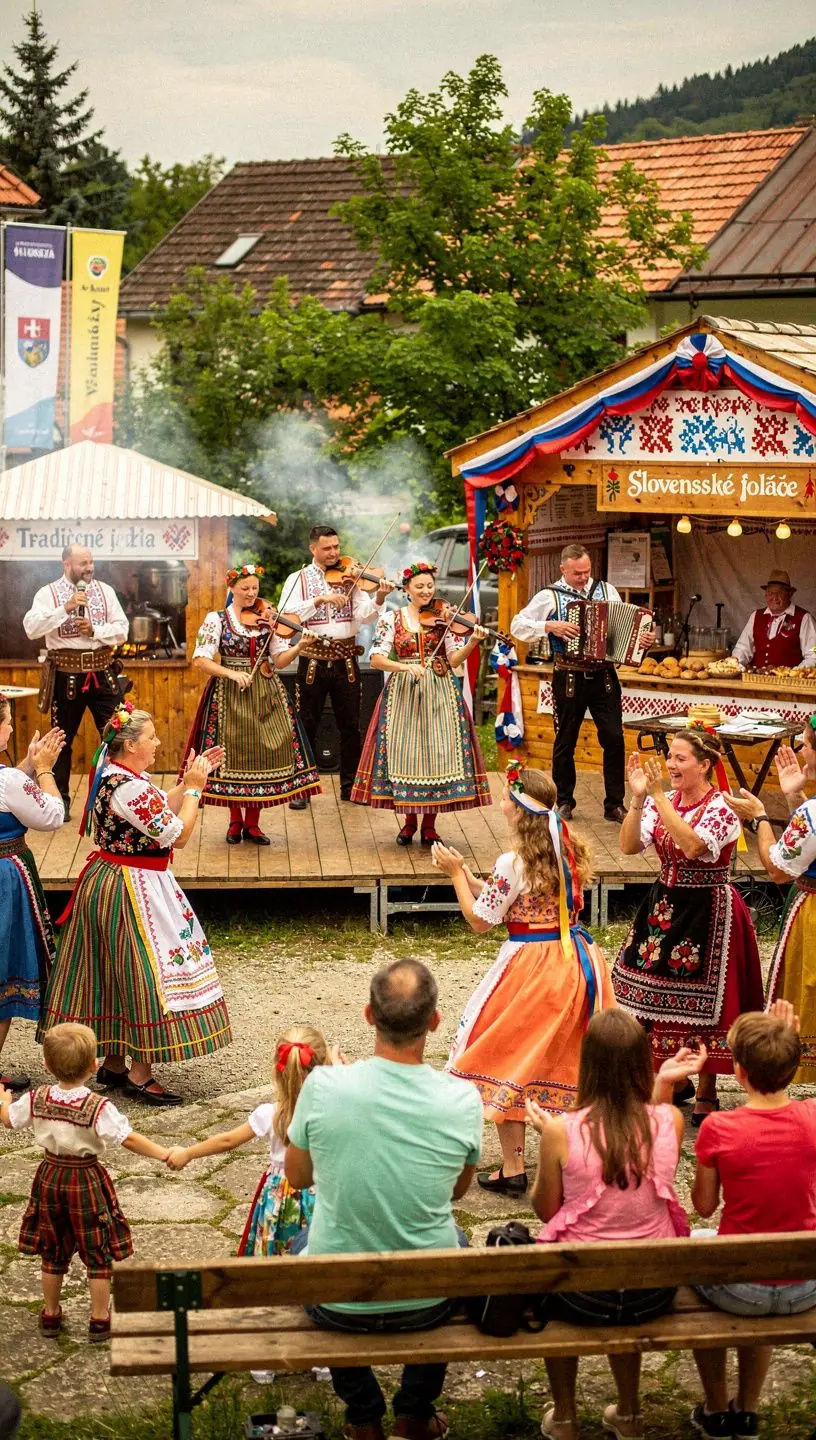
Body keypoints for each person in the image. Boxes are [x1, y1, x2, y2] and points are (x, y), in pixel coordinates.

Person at [285, 959, 483, 1440]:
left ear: (368, 1015)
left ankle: (362, 1414)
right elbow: (456, 1191)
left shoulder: (324, 1086)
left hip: (338, 1299)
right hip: (427, 1301)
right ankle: (414, 1412)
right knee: (451, 1241)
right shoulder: (462, 1099)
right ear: (434, 1022)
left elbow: (298, 1176)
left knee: (303, 1245)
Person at [437, 762, 614, 1197]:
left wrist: (456, 876)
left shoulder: (513, 861)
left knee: (509, 1056)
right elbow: (508, 895)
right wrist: (483, 881)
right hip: (574, 959)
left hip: (531, 966)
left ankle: (514, 1165)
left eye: (504, 798)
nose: (500, 804)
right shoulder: (565, 850)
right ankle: (573, 1155)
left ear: (518, 810)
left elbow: (482, 920)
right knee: (563, 1056)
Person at [40, 704, 231, 1106]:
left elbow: (159, 801)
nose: (157, 743)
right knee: (147, 972)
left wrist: (193, 779)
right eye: (151, 739)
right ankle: (140, 1074)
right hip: (134, 886)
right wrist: (195, 789)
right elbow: (177, 834)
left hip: (111, 879)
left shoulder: (114, 775)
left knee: (113, 970)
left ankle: (113, 1062)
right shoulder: (129, 788)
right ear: (130, 746)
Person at [527, 1009, 702, 1440]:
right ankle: (628, 1412)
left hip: (582, 1295)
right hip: (651, 1292)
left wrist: (551, 1136)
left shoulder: (562, 1131)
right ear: (640, 1063)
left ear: (588, 1064)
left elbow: (547, 1211)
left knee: (552, 1269)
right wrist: (662, 1085)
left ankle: (565, 1417)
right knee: (628, 1262)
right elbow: (646, 1140)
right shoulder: (671, 1121)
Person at [614, 736, 764, 1124]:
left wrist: (660, 798)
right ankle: (670, 1078)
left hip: (709, 906)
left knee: (711, 1002)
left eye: (680, 758)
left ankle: (708, 1088)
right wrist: (637, 800)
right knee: (652, 992)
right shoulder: (662, 801)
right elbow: (629, 846)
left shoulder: (724, 806)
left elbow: (694, 845)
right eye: (669, 757)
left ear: (705, 765)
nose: (671, 764)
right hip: (666, 903)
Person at [0, 1022, 173, 1342]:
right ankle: (99, 1318)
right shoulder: (98, 1108)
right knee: (97, 1249)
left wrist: (4, 1101)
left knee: (52, 1248)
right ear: (94, 1066)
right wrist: (164, 1153)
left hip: (50, 1176)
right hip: (86, 1179)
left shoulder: (38, 1098)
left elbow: (9, 1120)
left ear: (47, 1065)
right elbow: (128, 1139)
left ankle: (51, 1313)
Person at [690, 1003, 816, 1440]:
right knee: (772, 1259)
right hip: (804, 1285)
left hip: (741, 1288)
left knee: (693, 1245)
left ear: (738, 1072)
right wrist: (788, 1040)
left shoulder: (720, 1129)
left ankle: (715, 1407)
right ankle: (747, 1410)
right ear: (794, 1067)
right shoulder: (813, 1118)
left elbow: (704, 1207)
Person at [510, 544, 653, 822]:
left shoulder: (606, 589)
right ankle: (564, 801)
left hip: (604, 676)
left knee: (613, 738)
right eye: (577, 573)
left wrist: (643, 638)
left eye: (587, 572)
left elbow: (626, 625)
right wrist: (549, 626)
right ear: (563, 569)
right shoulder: (549, 596)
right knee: (565, 740)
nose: (583, 578)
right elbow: (518, 625)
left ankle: (614, 804)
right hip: (569, 676)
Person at [351, 560, 491, 845]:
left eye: (430, 585)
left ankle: (429, 824)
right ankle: (409, 822)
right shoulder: (392, 619)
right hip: (403, 694)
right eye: (420, 586)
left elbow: (452, 659)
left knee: (436, 755)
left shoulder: (444, 620)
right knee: (406, 755)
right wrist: (405, 667)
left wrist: (473, 643)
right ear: (407, 589)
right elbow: (377, 658)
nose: (426, 591)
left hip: (440, 690)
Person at [184, 563, 321, 845]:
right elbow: (201, 659)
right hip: (228, 693)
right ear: (231, 588)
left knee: (262, 753)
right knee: (231, 754)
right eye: (245, 588)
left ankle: (253, 824)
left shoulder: (267, 620)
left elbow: (280, 660)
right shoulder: (217, 619)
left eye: (255, 589)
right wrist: (232, 672)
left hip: (264, 691)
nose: (251, 594)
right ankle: (235, 821)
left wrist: (299, 646)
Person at [167, 1024, 331, 1255]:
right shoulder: (332, 1112)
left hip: (280, 1197)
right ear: (325, 1066)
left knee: (278, 1251)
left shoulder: (270, 1114)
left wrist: (188, 1153)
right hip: (321, 1193)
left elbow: (227, 1140)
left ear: (277, 1070)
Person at [726, 722, 816, 1082]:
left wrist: (760, 818)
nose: (801, 751)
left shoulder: (813, 815)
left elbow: (778, 868)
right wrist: (796, 798)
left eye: (807, 745)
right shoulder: (810, 811)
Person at [278, 526, 392, 807]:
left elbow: (365, 617)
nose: (334, 553)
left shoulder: (351, 576)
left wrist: (379, 597)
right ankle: (302, 789)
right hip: (313, 658)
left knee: (351, 725)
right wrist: (320, 599)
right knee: (307, 722)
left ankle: (350, 786)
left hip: (346, 659)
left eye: (337, 547)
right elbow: (285, 617)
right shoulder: (298, 579)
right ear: (313, 549)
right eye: (327, 548)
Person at [23, 544, 129, 816]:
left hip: (103, 674)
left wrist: (95, 630)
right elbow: (31, 628)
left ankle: (120, 795)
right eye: (82, 563)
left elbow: (122, 630)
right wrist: (65, 609)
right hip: (65, 676)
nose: (89, 568)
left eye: (91, 562)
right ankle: (60, 799)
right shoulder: (48, 594)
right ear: (66, 564)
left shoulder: (105, 591)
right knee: (62, 740)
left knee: (118, 734)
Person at [0, 700, 65, 1091]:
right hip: (4, 879)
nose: (10, 730)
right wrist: (42, 771)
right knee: (3, 969)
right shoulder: (9, 781)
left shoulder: (9, 779)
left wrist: (24, 771)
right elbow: (51, 815)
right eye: (8, 723)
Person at [731, 569, 816, 671]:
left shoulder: (803, 618)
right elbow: (742, 648)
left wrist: (793, 673)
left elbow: (813, 655)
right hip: (756, 681)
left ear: (789, 594)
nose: (774, 598)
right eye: (771, 593)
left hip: (788, 684)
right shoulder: (756, 616)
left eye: (780, 593)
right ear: (766, 595)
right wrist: (735, 664)